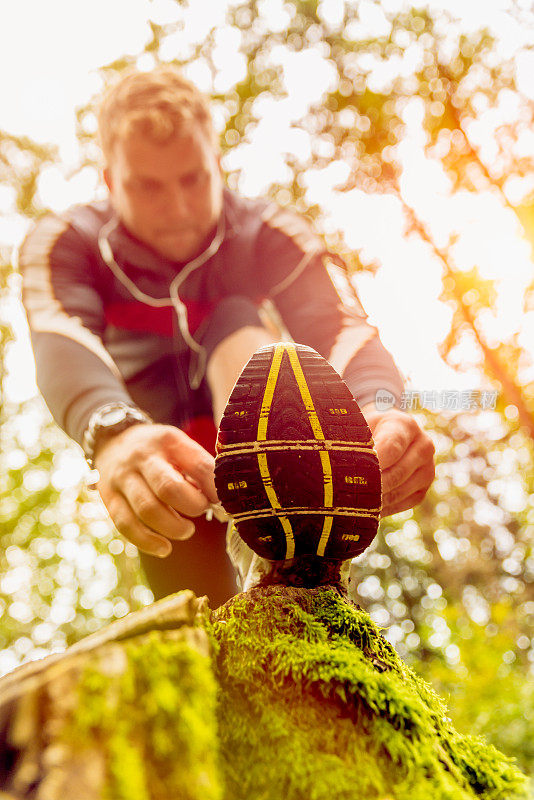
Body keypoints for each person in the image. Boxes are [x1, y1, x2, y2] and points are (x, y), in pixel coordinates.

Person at [18, 67, 435, 606]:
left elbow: (341, 326)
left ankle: (285, 553)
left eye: (193, 179)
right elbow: (59, 333)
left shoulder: (269, 231)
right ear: (108, 181)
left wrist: (379, 409)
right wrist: (114, 434)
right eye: (147, 186)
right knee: (201, 622)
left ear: (218, 166)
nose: (178, 208)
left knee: (236, 315)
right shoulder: (64, 241)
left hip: (265, 431)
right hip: (159, 456)